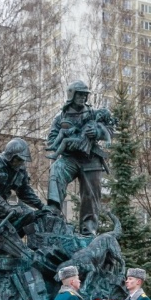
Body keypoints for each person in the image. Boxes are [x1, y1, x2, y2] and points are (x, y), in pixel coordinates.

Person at [46, 80, 115, 236]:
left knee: (91, 195)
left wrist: (97, 133)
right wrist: (67, 146)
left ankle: (88, 231)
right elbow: (51, 141)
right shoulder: (60, 117)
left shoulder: (93, 113)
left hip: (91, 158)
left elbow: (109, 130)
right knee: (56, 171)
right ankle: (53, 213)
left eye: (85, 95)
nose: (83, 97)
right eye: (80, 94)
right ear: (72, 95)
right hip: (69, 158)